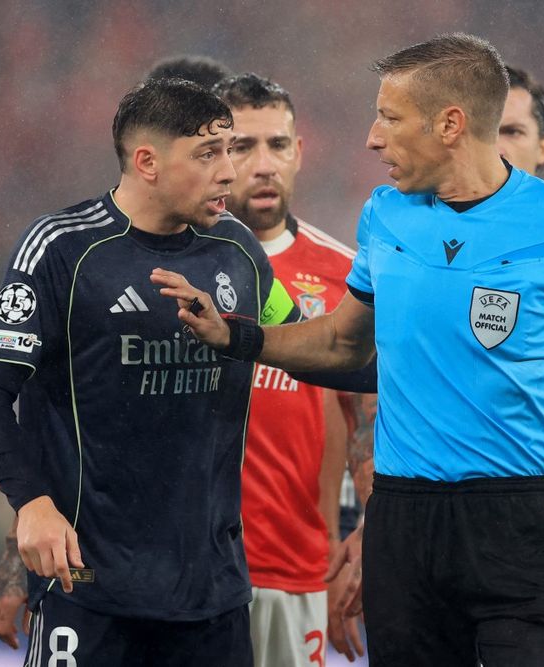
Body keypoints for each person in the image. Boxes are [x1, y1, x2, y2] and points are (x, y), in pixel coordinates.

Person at [151, 33, 544, 667]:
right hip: (405, 521)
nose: (372, 137)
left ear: (450, 124)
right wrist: (237, 337)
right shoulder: (387, 215)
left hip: (519, 521)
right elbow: (342, 341)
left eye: (390, 118)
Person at [0, 77, 303, 666]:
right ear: (146, 161)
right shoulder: (61, 249)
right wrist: (32, 505)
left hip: (212, 592)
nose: (230, 171)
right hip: (88, 590)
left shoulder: (239, 250)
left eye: (230, 150)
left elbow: (300, 343)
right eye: (208, 153)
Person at [211, 72, 365, 666]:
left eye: (277, 145)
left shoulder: (348, 275)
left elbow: (372, 421)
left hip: (298, 571)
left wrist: (359, 540)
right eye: (243, 146)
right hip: (188, 571)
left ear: (299, 153)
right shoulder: (173, 263)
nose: (263, 163)